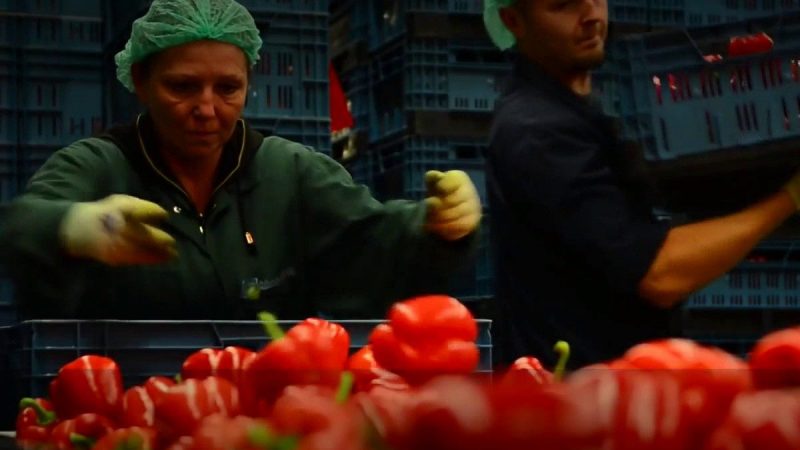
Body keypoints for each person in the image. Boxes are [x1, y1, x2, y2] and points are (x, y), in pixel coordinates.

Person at [0, 0, 482, 321]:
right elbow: (20, 226)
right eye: (182, 86)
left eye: (228, 88)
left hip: (262, 411)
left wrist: (437, 226)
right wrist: (73, 226)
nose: (207, 109)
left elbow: (372, 241)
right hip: (126, 406)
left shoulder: (288, 171)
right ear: (141, 82)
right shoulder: (100, 165)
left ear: (249, 84)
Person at [483, 0, 800, 369]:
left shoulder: (577, 106)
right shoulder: (536, 132)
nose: (592, 15)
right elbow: (659, 275)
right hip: (575, 389)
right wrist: (789, 198)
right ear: (513, 20)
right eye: (563, 5)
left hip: (622, 378)